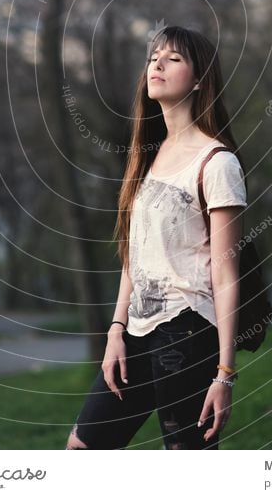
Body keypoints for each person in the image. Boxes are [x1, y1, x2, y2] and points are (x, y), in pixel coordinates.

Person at [65, 24, 248, 450]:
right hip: (137, 333)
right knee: (82, 449)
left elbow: (225, 276)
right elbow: (135, 256)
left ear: (200, 78)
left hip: (187, 332)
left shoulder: (217, 163)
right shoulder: (148, 157)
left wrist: (224, 373)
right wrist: (116, 329)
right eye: (153, 57)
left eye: (174, 58)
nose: (157, 64)